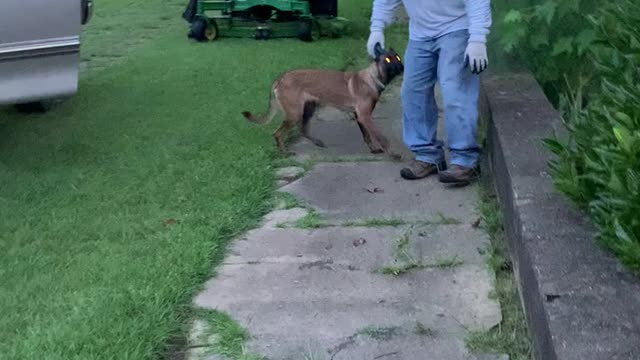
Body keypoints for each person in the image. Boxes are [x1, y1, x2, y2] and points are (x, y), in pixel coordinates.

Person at [367, 0, 492, 187]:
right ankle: (427, 155)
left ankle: (465, 160)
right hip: (420, 34)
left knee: (454, 92)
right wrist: (376, 28)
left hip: (457, 28)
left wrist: (477, 39)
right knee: (412, 92)